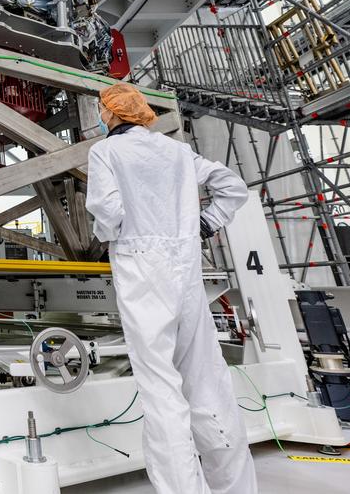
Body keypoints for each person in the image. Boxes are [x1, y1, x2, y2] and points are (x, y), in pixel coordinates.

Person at [85, 83, 255, 494]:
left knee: (161, 388)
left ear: (112, 113)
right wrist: (207, 222)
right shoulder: (176, 151)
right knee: (207, 380)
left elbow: (107, 211)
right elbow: (234, 187)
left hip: (141, 269)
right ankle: (234, 486)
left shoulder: (105, 152)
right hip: (186, 267)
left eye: (101, 110)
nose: (100, 117)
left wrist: (111, 236)